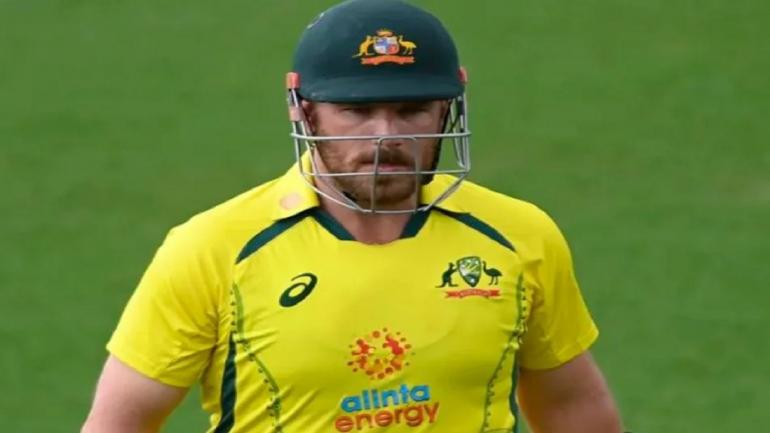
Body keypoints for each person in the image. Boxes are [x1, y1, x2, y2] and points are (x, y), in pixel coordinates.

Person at [82, 0, 624, 432]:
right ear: (302, 108)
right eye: (357, 111)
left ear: (448, 107)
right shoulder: (212, 250)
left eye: (412, 110)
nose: (386, 135)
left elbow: (571, 407)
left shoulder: (519, 237)